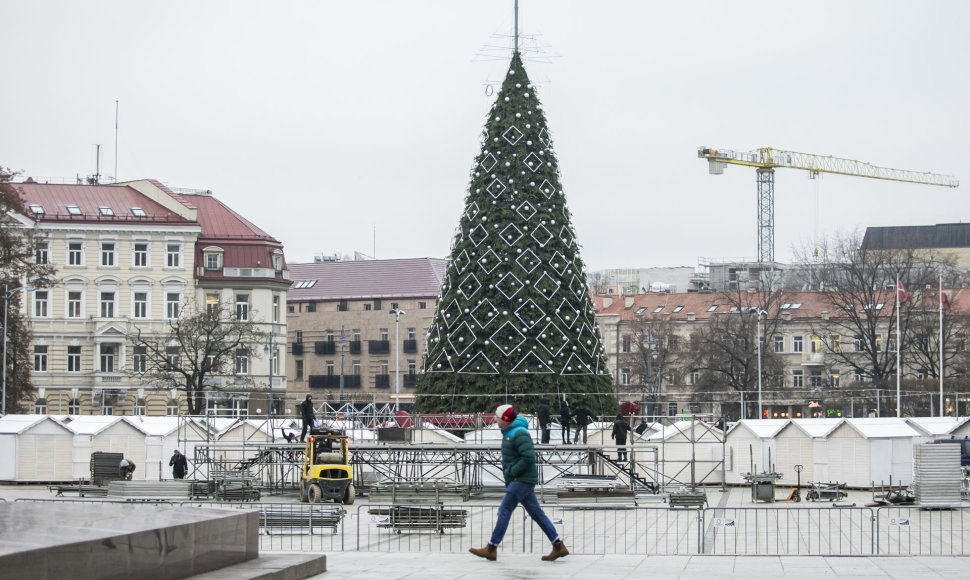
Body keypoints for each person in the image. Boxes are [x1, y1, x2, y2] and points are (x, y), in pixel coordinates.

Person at [469, 404, 568, 562]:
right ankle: (558, 545)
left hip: (521, 480)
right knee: (537, 514)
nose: (495, 419)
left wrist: (512, 471)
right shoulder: (510, 432)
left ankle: (491, 547)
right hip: (521, 480)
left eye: (498, 417)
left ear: (506, 419)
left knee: (504, 510)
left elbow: (528, 457)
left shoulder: (519, 433)